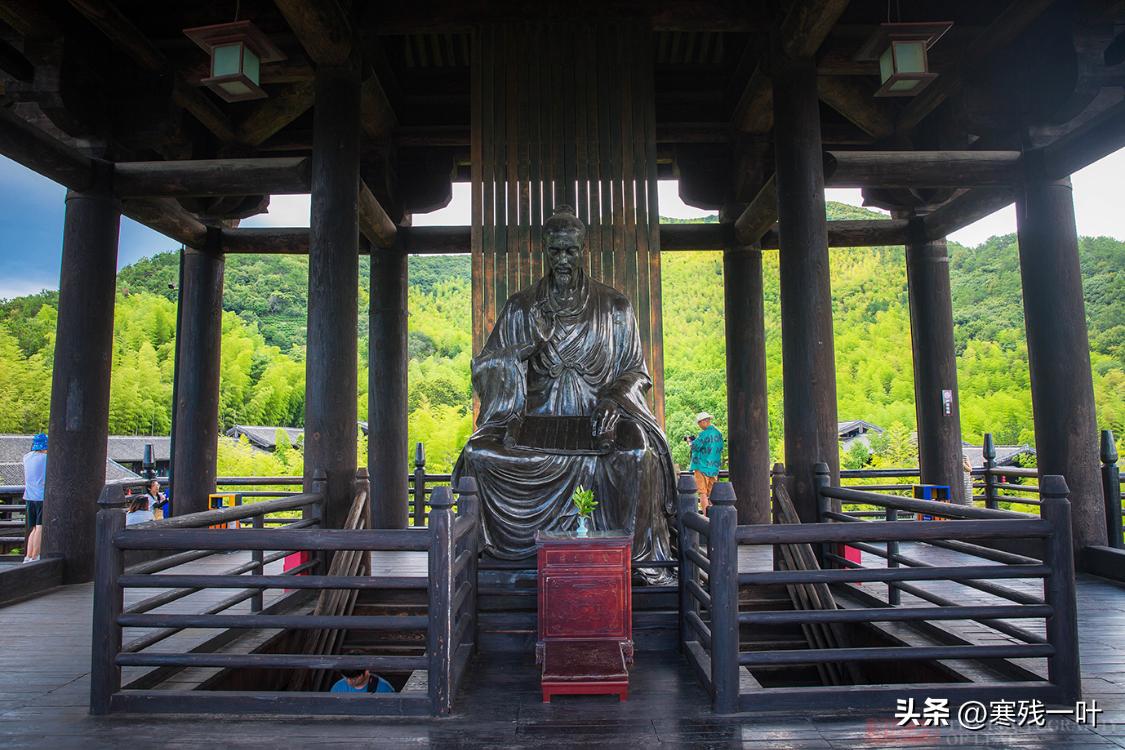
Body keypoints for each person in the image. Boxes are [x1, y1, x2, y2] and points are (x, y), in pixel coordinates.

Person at [454, 205, 677, 586]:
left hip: (600, 422)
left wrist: (612, 398)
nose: (562, 259)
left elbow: (636, 372)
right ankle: (508, 563)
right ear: (544, 251)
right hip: (535, 424)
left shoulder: (615, 307)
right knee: (479, 454)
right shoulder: (522, 307)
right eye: (555, 251)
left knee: (639, 455)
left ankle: (634, 562)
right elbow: (485, 367)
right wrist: (526, 347)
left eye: (570, 251)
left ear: (583, 250)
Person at [688, 412, 724, 514]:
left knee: (702, 493)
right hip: (714, 467)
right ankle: (714, 515)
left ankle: (705, 515)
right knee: (712, 493)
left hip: (702, 466)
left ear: (704, 421)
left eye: (699, 423)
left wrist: (690, 442)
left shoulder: (703, 434)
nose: (699, 425)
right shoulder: (718, 433)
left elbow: (695, 447)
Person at [21, 433, 47, 563]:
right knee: (40, 526)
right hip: (41, 496)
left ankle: (28, 556)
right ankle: (36, 556)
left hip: (29, 496)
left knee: (33, 528)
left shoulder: (26, 457)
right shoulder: (46, 458)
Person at [330, 669, 394, 694]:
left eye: (354, 678)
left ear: (366, 672)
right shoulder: (337, 687)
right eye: (346, 677)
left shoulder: (384, 688)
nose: (349, 681)